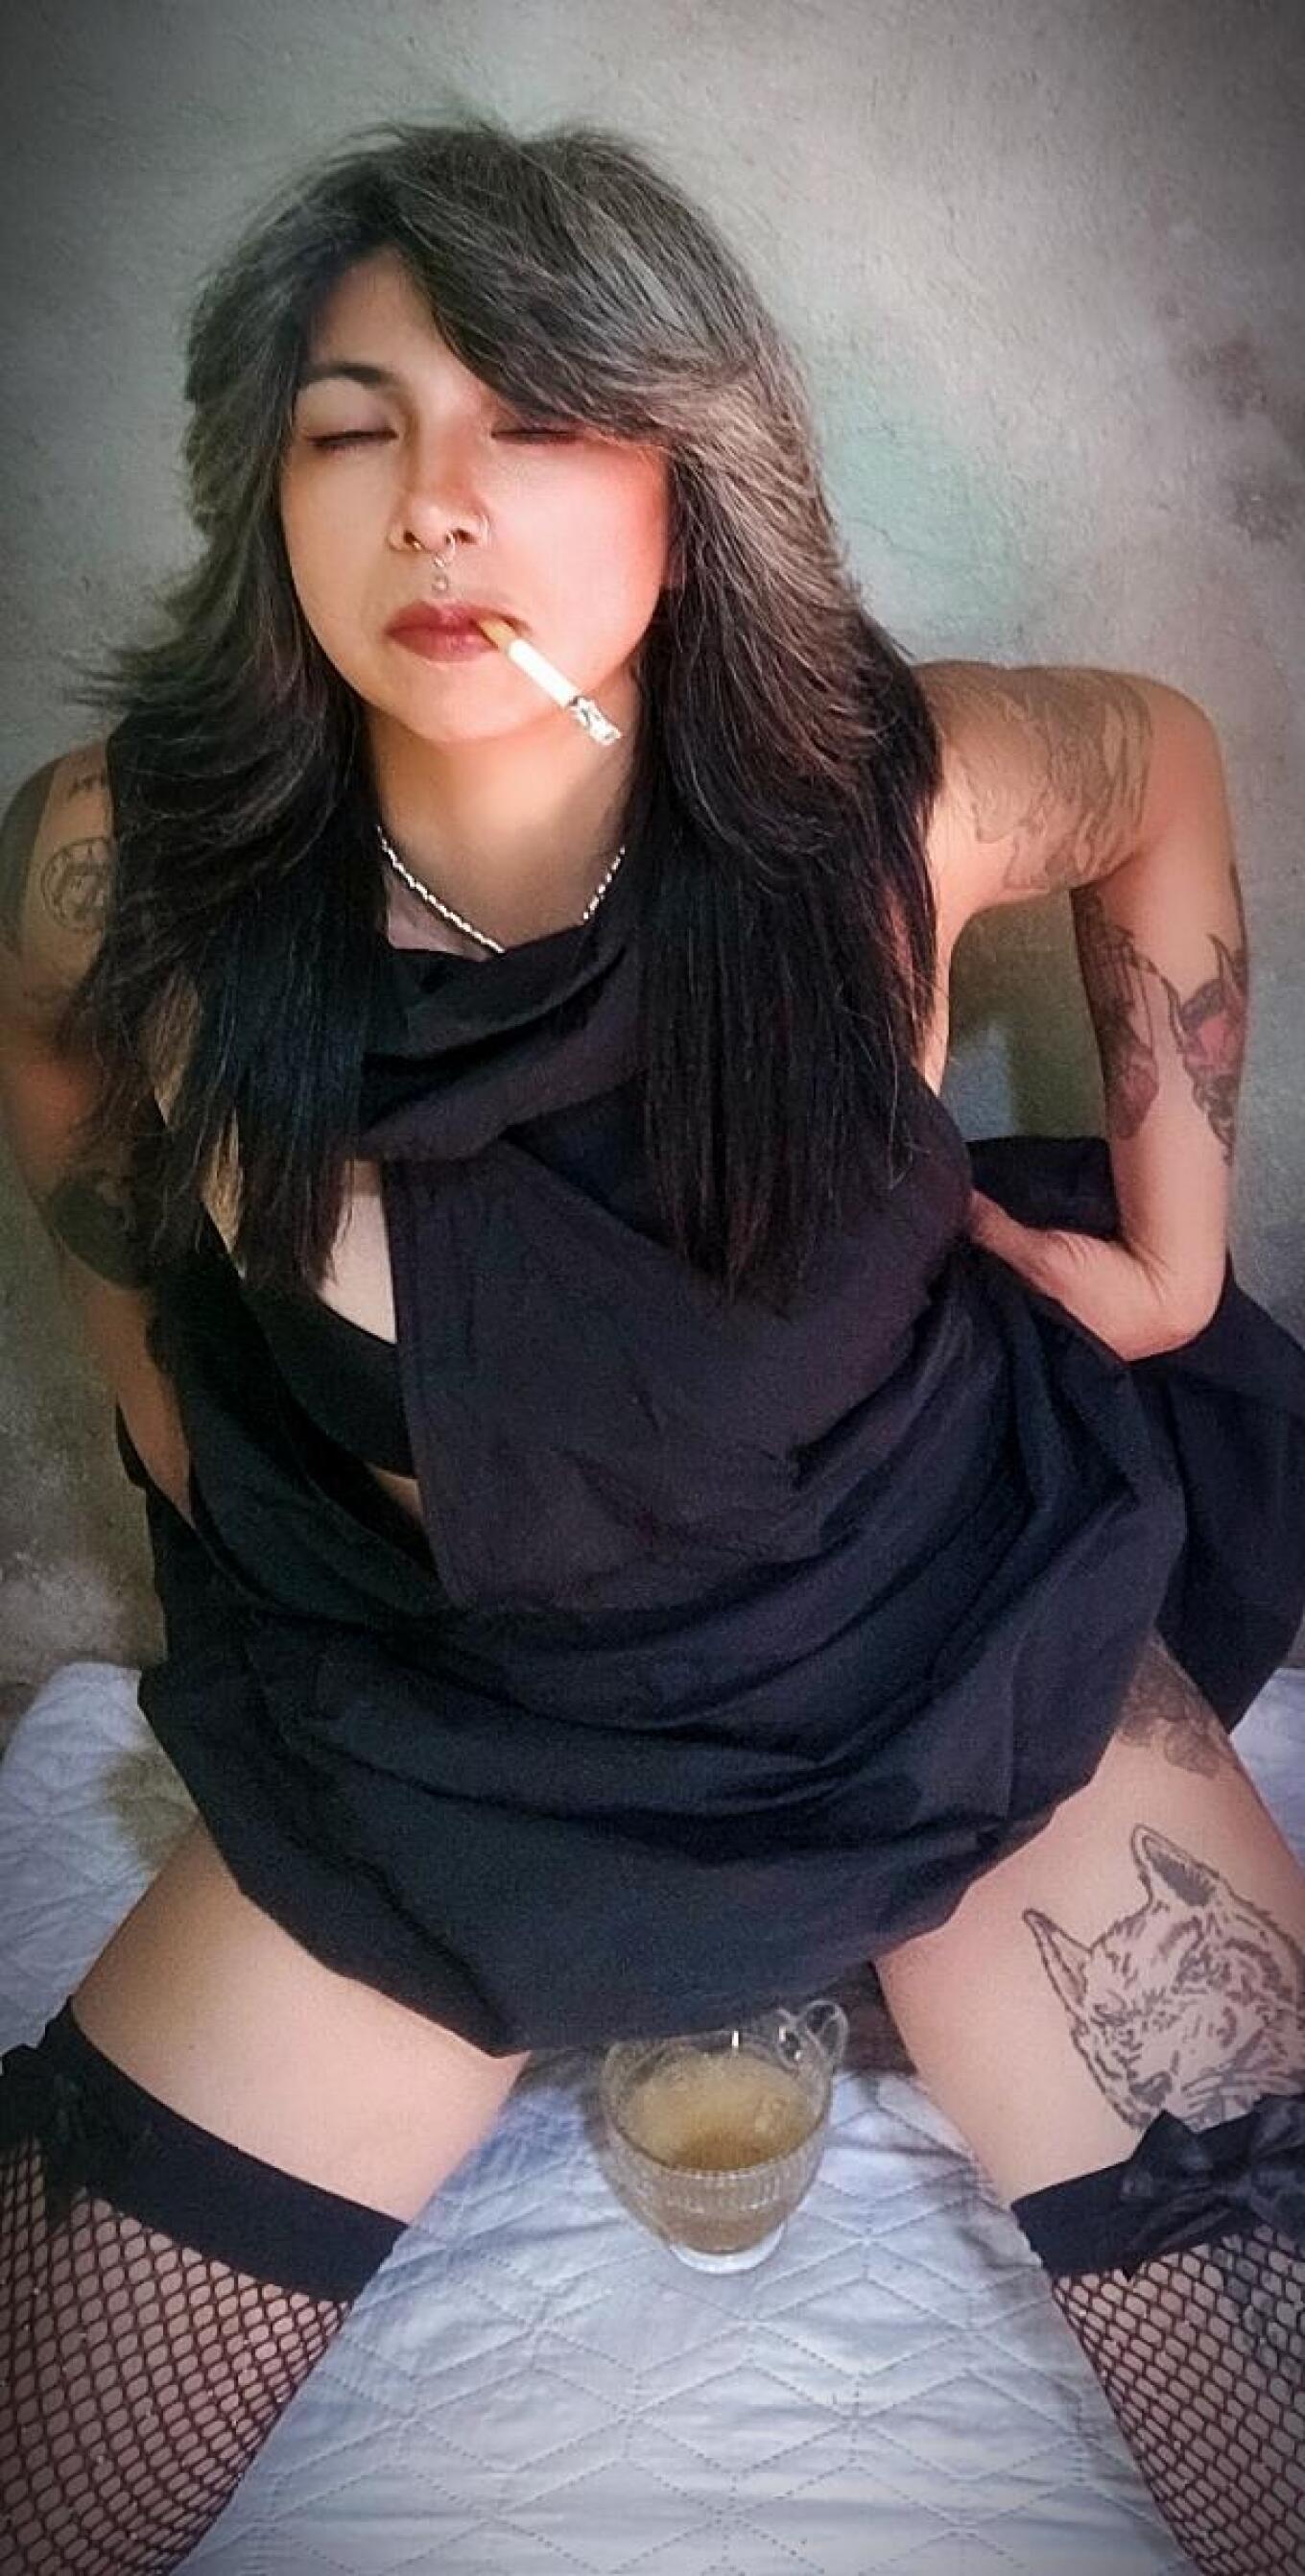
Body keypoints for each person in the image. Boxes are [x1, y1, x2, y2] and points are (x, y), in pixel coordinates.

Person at [1, 111, 1302, 2575]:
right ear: (267, 491)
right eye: (354, 428)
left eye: (537, 420)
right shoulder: (139, 862)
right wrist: (147, 1381)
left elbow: (1157, 760)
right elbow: (52, 1032)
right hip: (442, 1722)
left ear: (690, 485)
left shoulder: (869, 811)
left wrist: (1167, 1254)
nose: (436, 506)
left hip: (923, 1630)